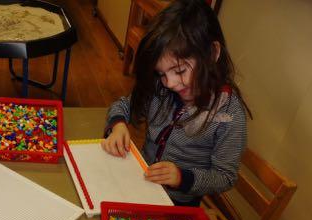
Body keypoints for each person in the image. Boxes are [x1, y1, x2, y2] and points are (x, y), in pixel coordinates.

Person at [102, 0, 251, 206]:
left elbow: (225, 177)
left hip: (177, 204)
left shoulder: (229, 115)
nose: (170, 83)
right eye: (161, 73)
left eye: (180, 71)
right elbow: (124, 105)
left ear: (212, 53)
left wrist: (182, 177)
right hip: (140, 183)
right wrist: (118, 125)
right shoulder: (161, 88)